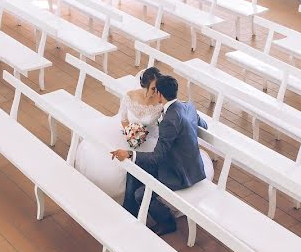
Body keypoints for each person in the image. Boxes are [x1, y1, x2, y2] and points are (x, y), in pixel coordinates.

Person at [112, 75, 207, 235]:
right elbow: (203, 125)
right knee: (133, 172)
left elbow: (157, 157)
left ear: (160, 95)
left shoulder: (168, 120)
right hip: (191, 165)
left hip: (180, 173)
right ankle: (130, 215)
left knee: (140, 193)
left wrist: (130, 153)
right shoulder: (188, 106)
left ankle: (167, 222)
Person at [72, 67, 164, 203]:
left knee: (138, 164)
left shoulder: (160, 102)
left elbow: (160, 126)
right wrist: (130, 134)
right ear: (144, 85)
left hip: (148, 139)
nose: (155, 92)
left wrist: (142, 136)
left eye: (157, 88)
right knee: (100, 156)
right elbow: (123, 119)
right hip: (128, 134)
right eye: (153, 88)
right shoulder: (131, 96)